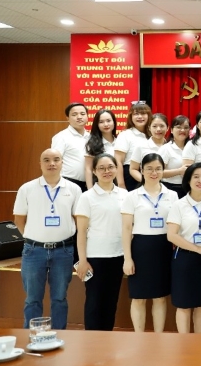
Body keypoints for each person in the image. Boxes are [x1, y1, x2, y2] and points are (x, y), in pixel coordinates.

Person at [13, 149, 82, 330]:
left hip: (63, 250)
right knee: (32, 299)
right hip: (34, 251)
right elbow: (19, 220)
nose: (52, 163)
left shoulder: (74, 189)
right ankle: (33, 335)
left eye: (56, 159)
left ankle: (59, 335)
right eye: (47, 160)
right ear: (40, 164)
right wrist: (35, 237)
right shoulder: (27, 188)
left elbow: (78, 219)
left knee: (59, 298)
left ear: (62, 163)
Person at [121, 152, 178, 333]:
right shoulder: (132, 196)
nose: (154, 173)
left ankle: (158, 337)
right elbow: (126, 229)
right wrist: (127, 258)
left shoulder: (172, 195)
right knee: (139, 297)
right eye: (149, 169)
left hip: (164, 248)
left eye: (158, 169)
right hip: (140, 249)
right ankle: (139, 337)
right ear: (142, 170)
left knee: (160, 297)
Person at [75, 153, 128, 331]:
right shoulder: (87, 197)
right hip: (95, 257)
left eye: (110, 167)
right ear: (94, 171)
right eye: (102, 168)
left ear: (117, 169)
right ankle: (92, 340)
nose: (107, 171)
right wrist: (82, 260)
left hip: (118, 255)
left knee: (111, 302)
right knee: (94, 302)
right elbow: (81, 232)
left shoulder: (125, 195)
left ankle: (107, 339)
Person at [166, 163, 201, 334]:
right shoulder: (179, 205)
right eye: (196, 177)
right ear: (188, 180)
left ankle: (198, 341)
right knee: (184, 304)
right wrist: (196, 249)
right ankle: (184, 342)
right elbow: (171, 235)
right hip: (184, 258)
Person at [52, 102, 89, 192]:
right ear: (68, 118)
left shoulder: (91, 137)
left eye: (82, 114)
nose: (79, 117)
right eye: (74, 114)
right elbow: (55, 161)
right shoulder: (61, 137)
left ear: (87, 116)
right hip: (67, 183)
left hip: (88, 184)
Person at [114, 101, 151, 191]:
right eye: (136, 114)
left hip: (151, 174)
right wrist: (121, 185)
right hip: (130, 177)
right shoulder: (125, 135)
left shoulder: (153, 135)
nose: (140, 117)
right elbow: (118, 161)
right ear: (131, 117)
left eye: (143, 113)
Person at [129, 113, 169, 183]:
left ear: (167, 128)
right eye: (154, 126)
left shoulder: (171, 146)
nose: (158, 129)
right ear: (149, 128)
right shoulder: (141, 146)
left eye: (162, 126)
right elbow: (133, 169)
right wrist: (146, 181)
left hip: (168, 185)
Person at [83, 108, 116, 186]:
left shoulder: (121, 141)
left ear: (114, 122)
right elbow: (88, 169)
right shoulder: (92, 144)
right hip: (99, 184)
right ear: (97, 124)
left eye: (108, 121)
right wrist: (90, 189)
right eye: (101, 122)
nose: (106, 124)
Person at [161, 115, 190, 196]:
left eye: (186, 127)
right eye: (178, 127)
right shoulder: (166, 148)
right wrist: (179, 171)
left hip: (190, 188)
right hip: (170, 188)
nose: (182, 130)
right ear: (171, 130)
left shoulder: (192, 147)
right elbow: (158, 172)